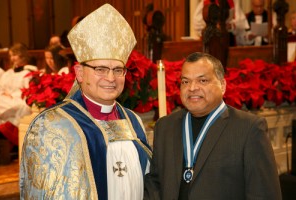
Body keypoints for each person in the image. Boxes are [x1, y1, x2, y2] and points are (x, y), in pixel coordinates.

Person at [20, 4, 152, 199]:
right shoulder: (52, 126)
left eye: (118, 70)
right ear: (79, 73)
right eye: (100, 69)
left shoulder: (133, 121)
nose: (110, 78)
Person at [144, 52, 282, 199]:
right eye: (185, 81)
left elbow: (264, 194)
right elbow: (154, 184)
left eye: (202, 81)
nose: (192, 88)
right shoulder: (165, 126)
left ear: (222, 85)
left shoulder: (249, 129)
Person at [0, 42, 37, 146]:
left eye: (14, 55)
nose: (12, 58)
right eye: (10, 55)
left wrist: (13, 96)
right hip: (4, 100)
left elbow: (28, 91)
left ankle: (6, 133)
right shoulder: (7, 73)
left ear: (22, 55)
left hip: (19, 100)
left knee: (21, 107)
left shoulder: (28, 72)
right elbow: (0, 90)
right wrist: (5, 95)